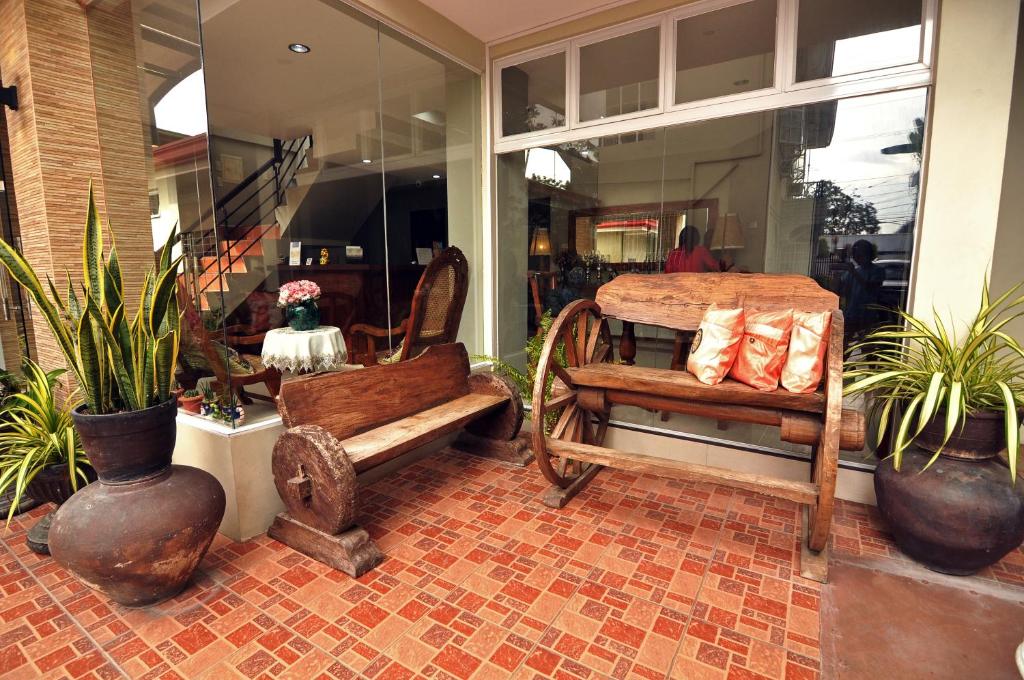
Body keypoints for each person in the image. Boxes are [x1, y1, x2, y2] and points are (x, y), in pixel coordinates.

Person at [840, 239, 885, 342]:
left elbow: (871, 288)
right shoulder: (854, 271)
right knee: (843, 345)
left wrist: (853, 273)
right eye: (855, 253)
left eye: (860, 253)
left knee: (867, 346)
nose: (856, 256)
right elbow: (843, 290)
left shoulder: (878, 271)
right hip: (852, 314)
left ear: (868, 254)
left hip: (868, 315)